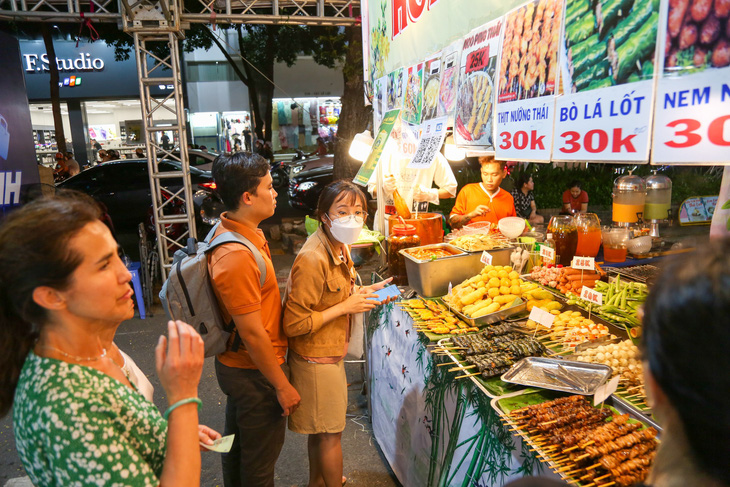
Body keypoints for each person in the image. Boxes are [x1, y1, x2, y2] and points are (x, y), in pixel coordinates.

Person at [0, 191, 220, 486]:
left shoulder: (92, 351)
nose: (126, 275)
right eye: (103, 265)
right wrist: (182, 398)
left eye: (117, 255)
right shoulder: (69, 407)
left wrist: (170, 437)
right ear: (51, 296)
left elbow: (122, 435)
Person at [283, 180, 392, 487]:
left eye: (358, 212)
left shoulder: (338, 246)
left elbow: (331, 296)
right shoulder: (312, 258)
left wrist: (361, 292)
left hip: (329, 353)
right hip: (315, 361)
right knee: (331, 434)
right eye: (342, 211)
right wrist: (346, 306)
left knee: (323, 430)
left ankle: (317, 483)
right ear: (324, 216)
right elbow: (293, 323)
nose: (352, 218)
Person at [209, 152, 301, 487]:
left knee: (237, 448)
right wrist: (281, 385)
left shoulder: (243, 233)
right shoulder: (236, 255)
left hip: (243, 369)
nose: (275, 193)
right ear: (248, 197)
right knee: (259, 464)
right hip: (255, 373)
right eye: (269, 187)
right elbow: (252, 333)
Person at [367, 118, 457, 231]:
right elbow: (371, 188)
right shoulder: (385, 152)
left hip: (417, 222)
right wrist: (382, 187)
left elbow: (451, 189)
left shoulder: (431, 154)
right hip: (387, 222)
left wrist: (430, 194)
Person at [449, 157, 516, 229]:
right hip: (471, 239)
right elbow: (452, 223)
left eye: (494, 175)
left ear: (504, 174)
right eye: (485, 174)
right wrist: (471, 215)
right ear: (481, 171)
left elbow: (513, 226)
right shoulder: (467, 191)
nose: (489, 179)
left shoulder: (508, 198)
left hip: (499, 239)